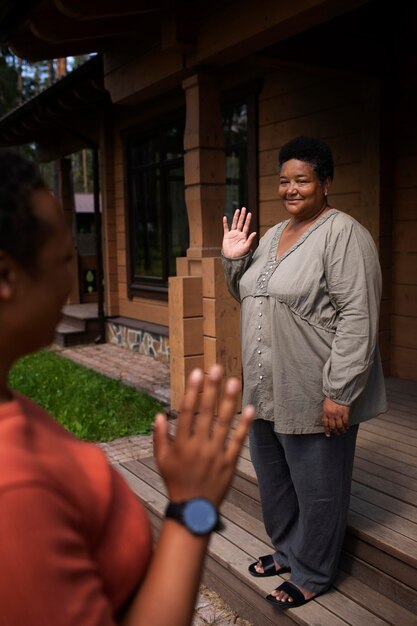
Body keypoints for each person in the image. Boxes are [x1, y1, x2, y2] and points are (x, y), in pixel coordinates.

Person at [0, 150, 255, 626]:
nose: (75, 276)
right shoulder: (12, 498)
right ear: (6, 275)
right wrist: (193, 508)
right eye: (63, 258)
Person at [221, 135, 387, 609]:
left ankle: (313, 571)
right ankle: (287, 551)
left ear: (326, 182)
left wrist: (340, 391)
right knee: (275, 481)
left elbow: (359, 316)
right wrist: (234, 262)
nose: (291, 189)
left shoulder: (344, 235)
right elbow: (252, 294)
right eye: (284, 181)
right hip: (265, 385)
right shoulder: (272, 235)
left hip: (313, 385)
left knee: (318, 489)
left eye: (302, 180)